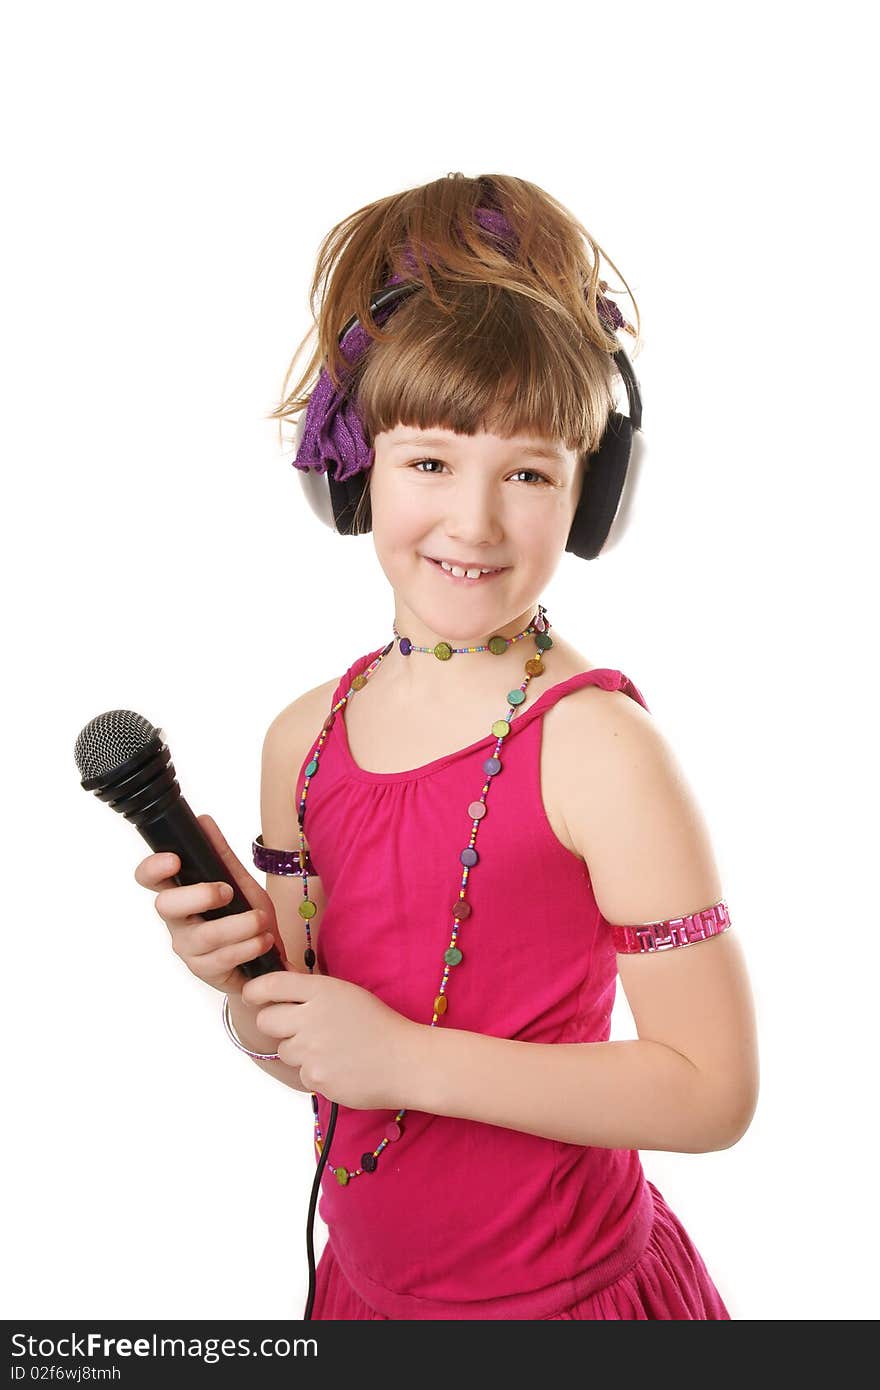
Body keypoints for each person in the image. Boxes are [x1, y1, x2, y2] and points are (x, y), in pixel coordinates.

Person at [134, 172, 759, 1320]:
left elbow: (711, 1090)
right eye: (429, 461)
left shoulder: (598, 748)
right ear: (354, 470)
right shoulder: (302, 744)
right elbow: (324, 1058)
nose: (473, 522)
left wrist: (407, 1060)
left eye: (528, 473)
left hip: (565, 1305)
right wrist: (247, 995)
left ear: (592, 491)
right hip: (368, 1299)